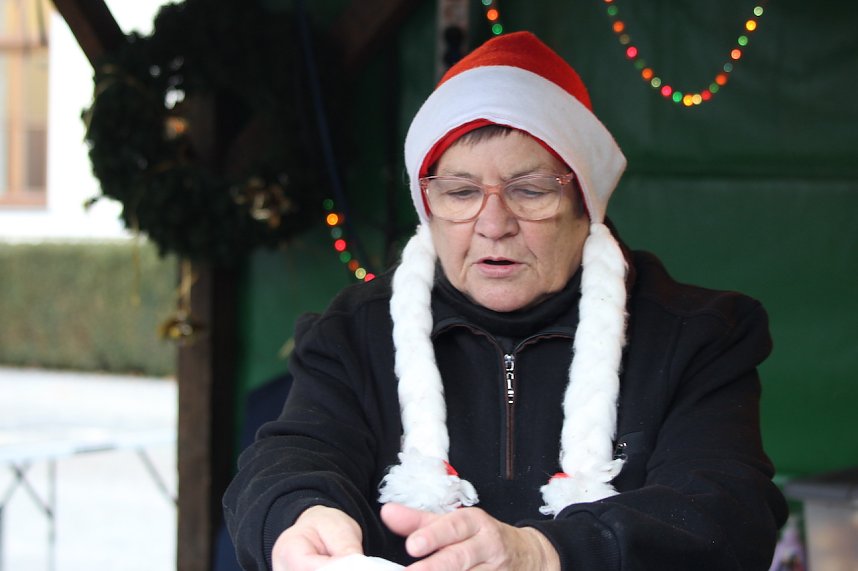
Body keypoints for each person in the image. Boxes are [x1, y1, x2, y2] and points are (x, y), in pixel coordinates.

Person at [223, 31, 787, 571]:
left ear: (584, 202)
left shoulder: (699, 335)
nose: (493, 224)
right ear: (429, 206)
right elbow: (289, 459)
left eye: (530, 190)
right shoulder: (352, 333)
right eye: (461, 192)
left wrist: (541, 556)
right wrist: (299, 517)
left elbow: (727, 515)